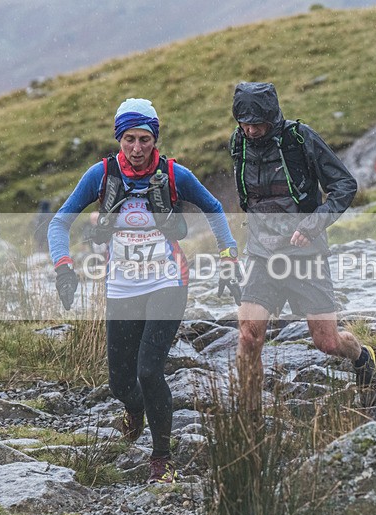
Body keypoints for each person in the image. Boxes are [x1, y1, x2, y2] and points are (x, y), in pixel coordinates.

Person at [48, 98, 240, 483]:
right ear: (119, 138)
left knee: (150, 370)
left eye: (145, 140)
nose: (137, 149)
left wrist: (229, 258)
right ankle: (134, 409)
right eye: (130, 140)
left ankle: (162, 459)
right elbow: (58, 222)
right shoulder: (100, 176)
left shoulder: (174, 174)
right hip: (121, 287)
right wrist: (63, 267)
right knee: (121, 382)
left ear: (156, 138)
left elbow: (215, 208)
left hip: (168, 281)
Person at [229, 81, 376, 414]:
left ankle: (362, 357)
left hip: (305, 255)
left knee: (326, 342)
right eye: (246, 123)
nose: (252, 130)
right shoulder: (238, 143)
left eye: (259, 124)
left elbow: (344, 185)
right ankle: (247, 418)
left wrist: (313, 224)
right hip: (262, 255)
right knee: (248, 337)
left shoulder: (299, 139)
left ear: (273, 117)